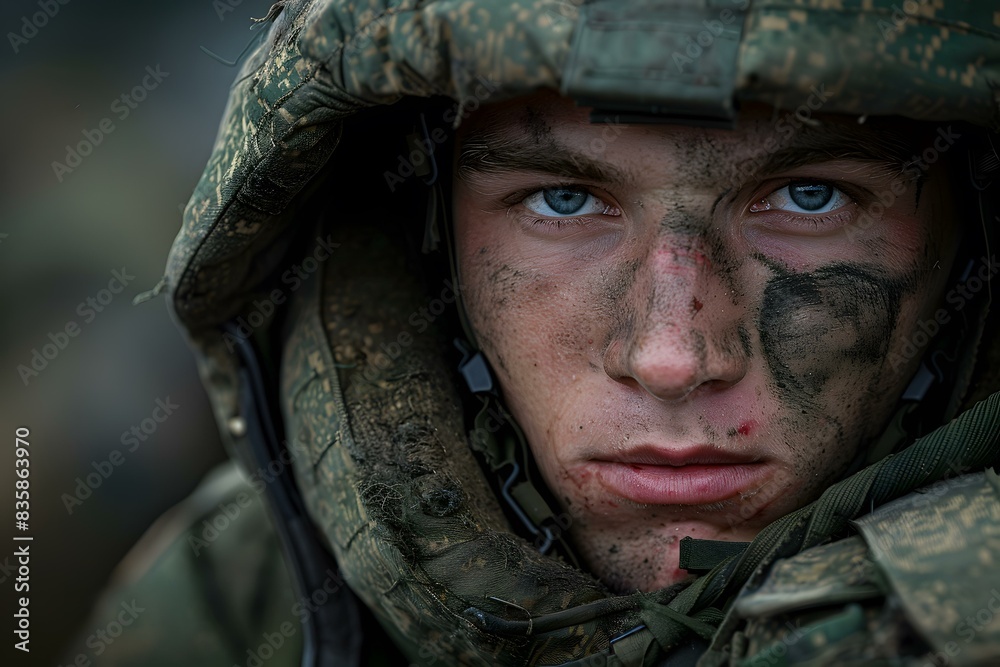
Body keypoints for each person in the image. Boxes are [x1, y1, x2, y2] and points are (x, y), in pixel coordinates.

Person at [78, 1, 1000, 665]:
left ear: (973, 236)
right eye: (564, 201)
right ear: (426, 238)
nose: (671, 354)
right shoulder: (242, 595)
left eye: (810, 196)